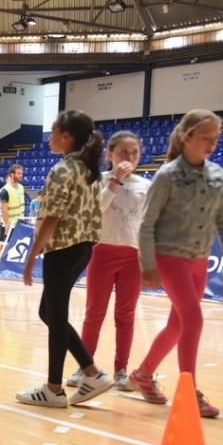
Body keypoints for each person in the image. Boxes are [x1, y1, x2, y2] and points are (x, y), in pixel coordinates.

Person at [128, 109, 223, 419]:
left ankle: (143, 374)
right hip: (169, 257)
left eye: (215, 138)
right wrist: (147, 264)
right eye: (206, 138)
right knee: (193, 320)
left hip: (199, 259)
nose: (212, 144)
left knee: (178, 323)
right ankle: (188, 390)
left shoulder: (218, 175)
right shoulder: (166, 176)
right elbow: (146, 223)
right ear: (186, 137)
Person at [17, 111, 111, 408]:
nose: (49, 137)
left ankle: (55, 388)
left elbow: (51, 218)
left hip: (63, 249)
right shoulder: (88, 169)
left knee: (55, 316)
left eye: (53, 131)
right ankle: (91, 372)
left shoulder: (63, 170)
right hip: (83, 248)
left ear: (66, 136)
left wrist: (32, 256)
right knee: (50, 313)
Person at [68, 131, 151, 391]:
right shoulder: (97, 181)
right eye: (123, 152)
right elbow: (95, 210)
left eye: (134, 152)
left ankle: (121, 370)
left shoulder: (146, 186)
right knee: (94, 314)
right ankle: (85, 367)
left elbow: (149, 225)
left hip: (133, 257)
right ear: (110, 154)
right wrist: (116, 180)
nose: (129, 157)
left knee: (125, 315)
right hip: (101, 252)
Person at [0, 164, 25, 250]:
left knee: (15, 249)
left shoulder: (21, 187)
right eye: (19, 173)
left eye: (21, 173)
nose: (21, 175)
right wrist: (6, 225)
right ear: (12, 175)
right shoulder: (5, 191)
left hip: (19, 223)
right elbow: (3, 209)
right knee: (3, 247)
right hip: (9, 224)